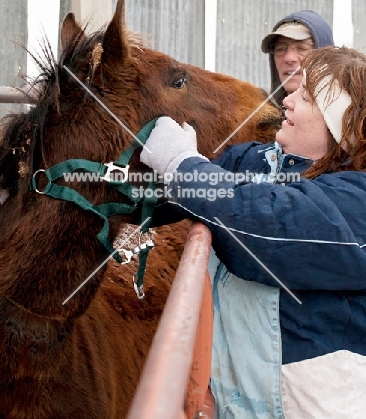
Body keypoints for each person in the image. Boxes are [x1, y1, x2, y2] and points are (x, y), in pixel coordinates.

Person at [140, 46, 366, 418]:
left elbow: (264, 225)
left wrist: (182, 165)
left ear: (338, 123)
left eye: (306, 96)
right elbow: (172, 198)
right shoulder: (257, 161)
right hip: (243, 403)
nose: (287, 100)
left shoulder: (356, 200)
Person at [261, 10, 334, 106]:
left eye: (302, 48)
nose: (288, 58)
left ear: (325, 58)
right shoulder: (266, 117)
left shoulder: (346, 118)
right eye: (280, 49)